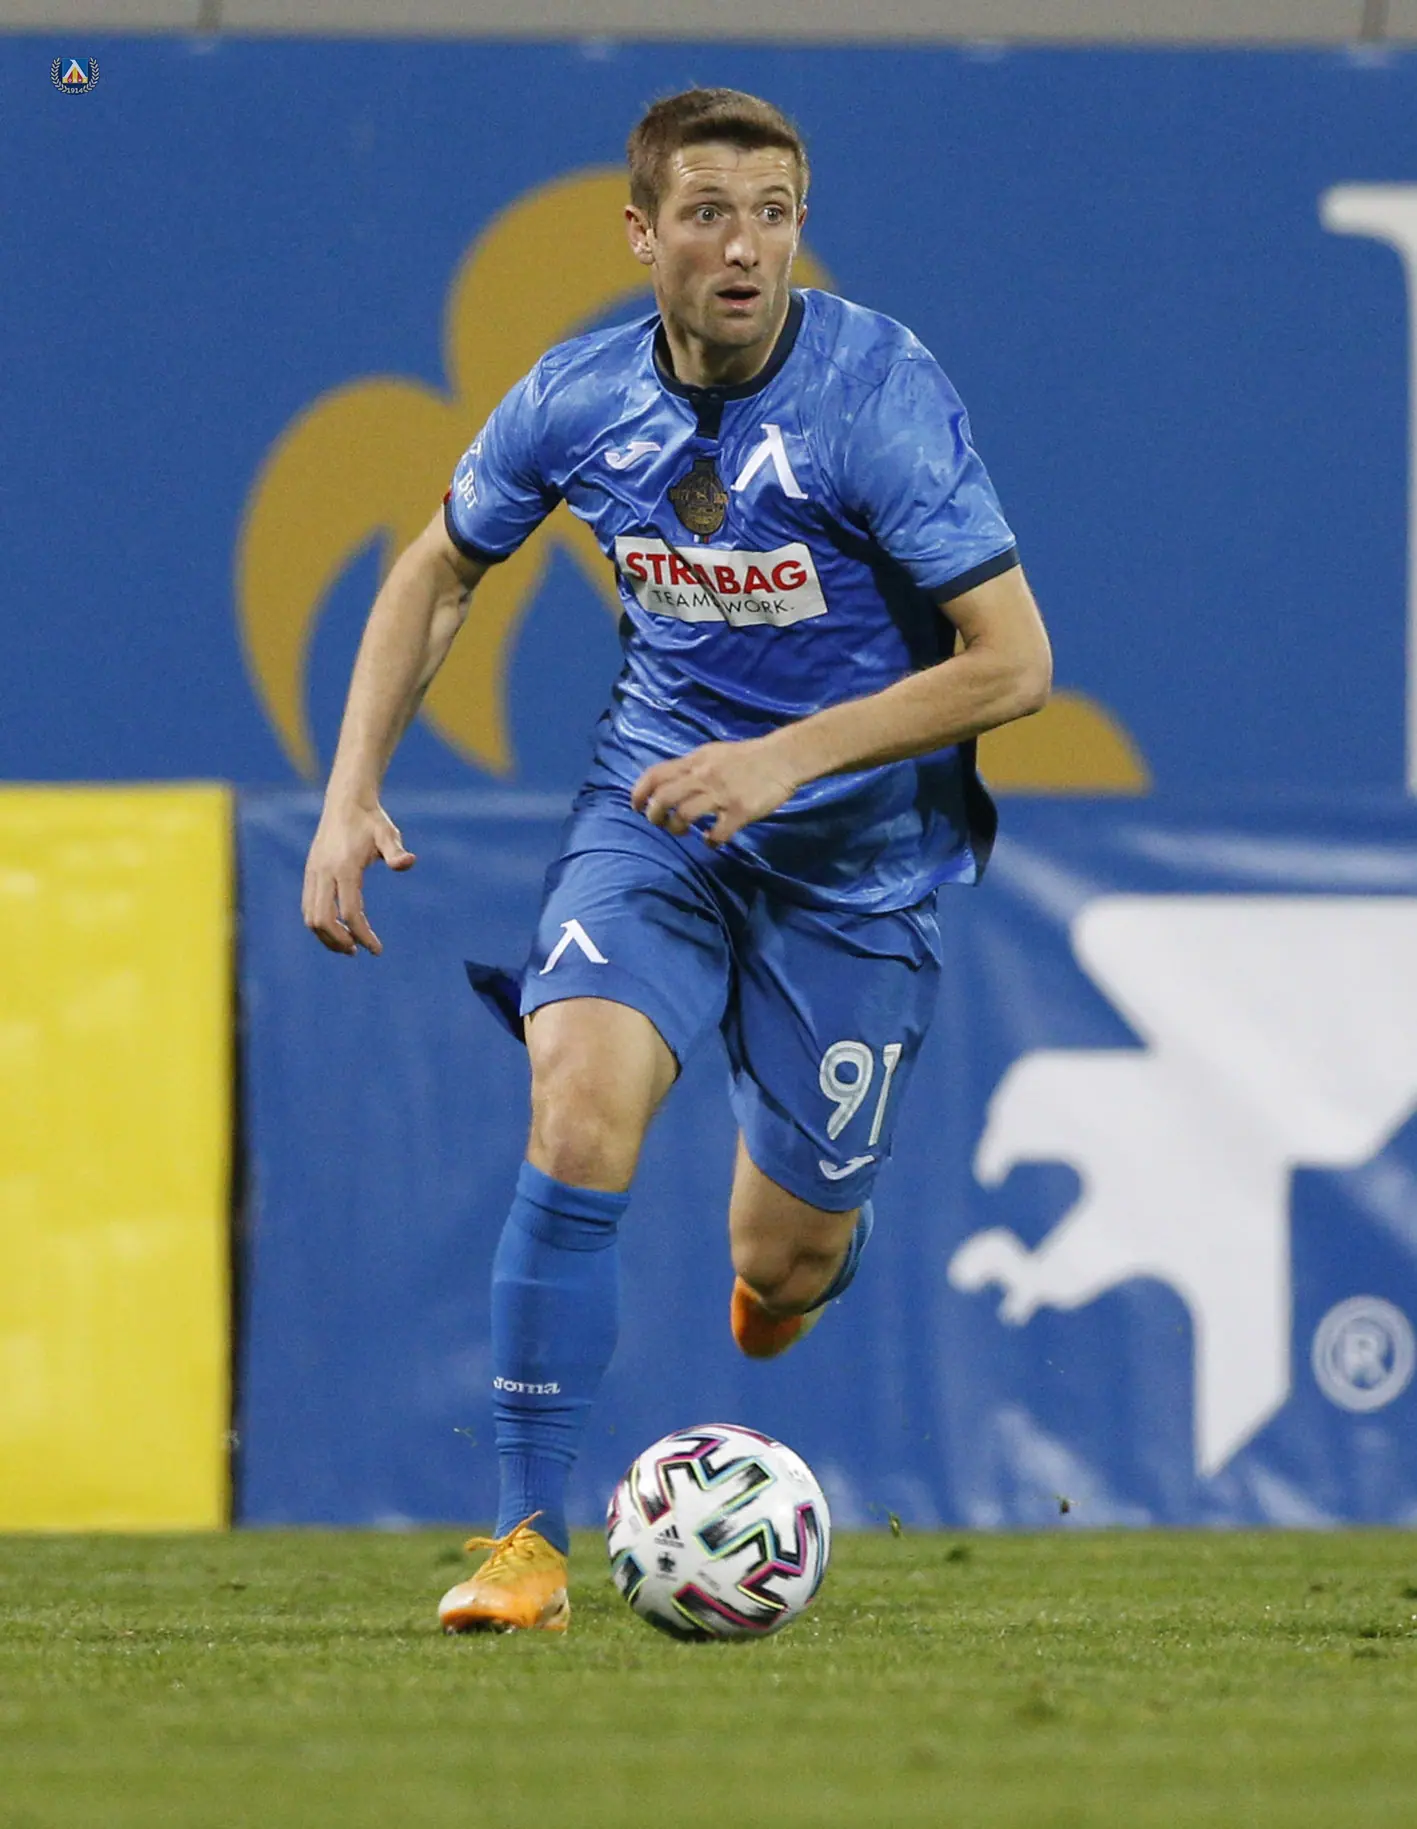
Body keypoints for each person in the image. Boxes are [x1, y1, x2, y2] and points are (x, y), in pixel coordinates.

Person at [303, 87, 1052, 1634]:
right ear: (642, 232)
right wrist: (347, 791)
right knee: (577, 1107)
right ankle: (524, 1544)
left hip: (852, 872)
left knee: (781, 1272)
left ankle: (795, 1263)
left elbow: (1014, 663)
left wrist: (785, 760)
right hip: (657, 829)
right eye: (710, 214)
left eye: (775, 215)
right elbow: (438, 567)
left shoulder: (877, 394)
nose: (747, 248)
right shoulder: (578, 397)